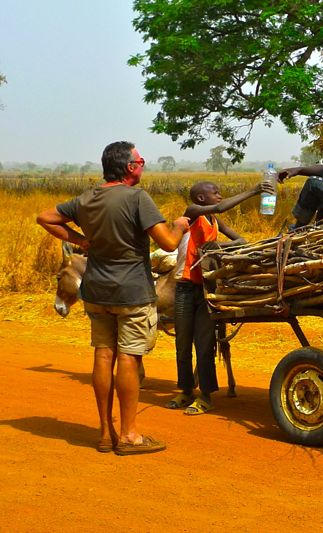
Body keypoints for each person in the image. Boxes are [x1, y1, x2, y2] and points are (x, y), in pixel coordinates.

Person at [37, 141, 190, 455]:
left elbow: (45, 217)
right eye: (140, 160)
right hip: (132, 293)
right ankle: (130, 435)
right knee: (128, 360)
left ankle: (106, 434)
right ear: (130, 167)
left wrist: (81, 240)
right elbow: (169, 244)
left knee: (103, 357)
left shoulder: (87, 198)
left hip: (96, 292)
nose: (143, 164)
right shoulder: (137, 199)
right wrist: (178, 225)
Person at [165, 180, 274, 415]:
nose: (220, 194)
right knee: (182, 343)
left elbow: (241, 240)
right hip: (184, 288)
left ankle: (205, 396)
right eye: (215, 192)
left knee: (204, 344)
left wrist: (214, 246)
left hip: (207, 288)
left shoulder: (215, 221)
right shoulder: (193, 212)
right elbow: (220, 207)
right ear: (201, 199)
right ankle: (185, 391)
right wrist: (254, 190)